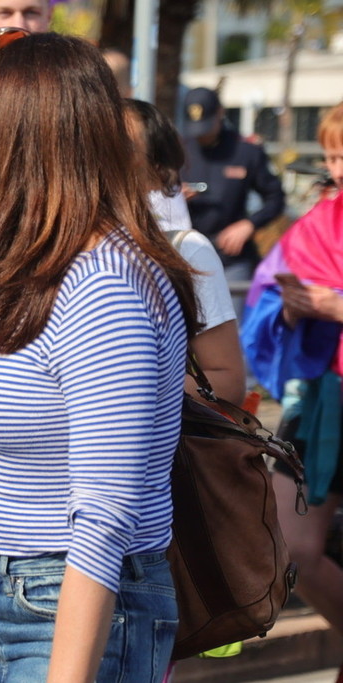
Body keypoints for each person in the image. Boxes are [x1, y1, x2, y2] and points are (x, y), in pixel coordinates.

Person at [0, 34, 198, 683]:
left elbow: (104, 520)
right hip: (1, 592)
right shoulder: (38, 269)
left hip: (72, 604)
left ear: (17, 147)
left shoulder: (107, 285)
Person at [240, 101, 343, 660]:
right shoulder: (318, 225)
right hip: (324, 399)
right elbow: (267, 301)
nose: (337, 168)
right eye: (331, 155)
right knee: (289, 541)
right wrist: (292, 308)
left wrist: (335, 306)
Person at [124, 97, 245, 405]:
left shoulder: (186, 252)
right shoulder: (37, 248)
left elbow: (227, 380)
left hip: (229, 257)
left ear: (158, 170)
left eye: (124, 147)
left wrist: (122, 391)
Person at [180, 86, 285, 317]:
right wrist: (172, 196)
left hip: (231, 259)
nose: (202, 135)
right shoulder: (178, 151)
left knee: (232, 327)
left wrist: (249, 225)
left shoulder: (246, 151)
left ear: (220, 113)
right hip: (186, 257)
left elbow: (276, 198)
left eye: (206, 126)